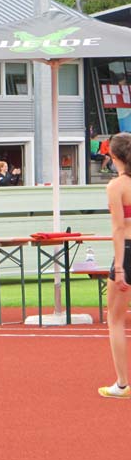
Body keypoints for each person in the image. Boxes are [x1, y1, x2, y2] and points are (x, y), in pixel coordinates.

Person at [101, 132, 131, 398]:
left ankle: (122, 383)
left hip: (128, 252)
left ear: (113, 155)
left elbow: (119, 228)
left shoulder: (116, 186)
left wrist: (119, 266)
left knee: (115, 318)